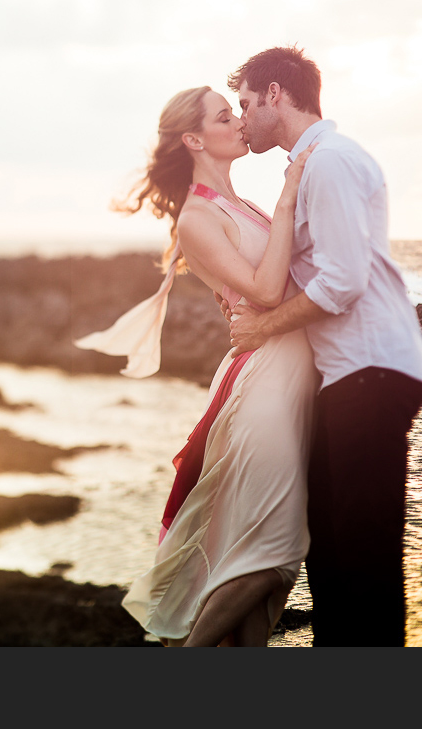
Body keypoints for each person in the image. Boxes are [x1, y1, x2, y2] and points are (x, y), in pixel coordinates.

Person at [75, 85, 319, 646]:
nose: (238, 121)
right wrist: (289, 198)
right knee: (275, 549)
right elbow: (265, 286)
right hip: (263, 385)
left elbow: (271, 283)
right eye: (223, 115)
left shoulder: (239, 205)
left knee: (261, 573)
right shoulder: (197, 218)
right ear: (193, 139)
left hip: (289, 380)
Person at [222, 46, 422, 646]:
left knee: (361, 557)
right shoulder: (311, 162)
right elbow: (314, 271)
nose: (241, 120)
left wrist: (263, 327)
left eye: (244, 104)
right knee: (331, 551)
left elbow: (342, 280)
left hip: (371, 371)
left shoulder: (332, 162)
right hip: (346, 375)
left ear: (274, 95)